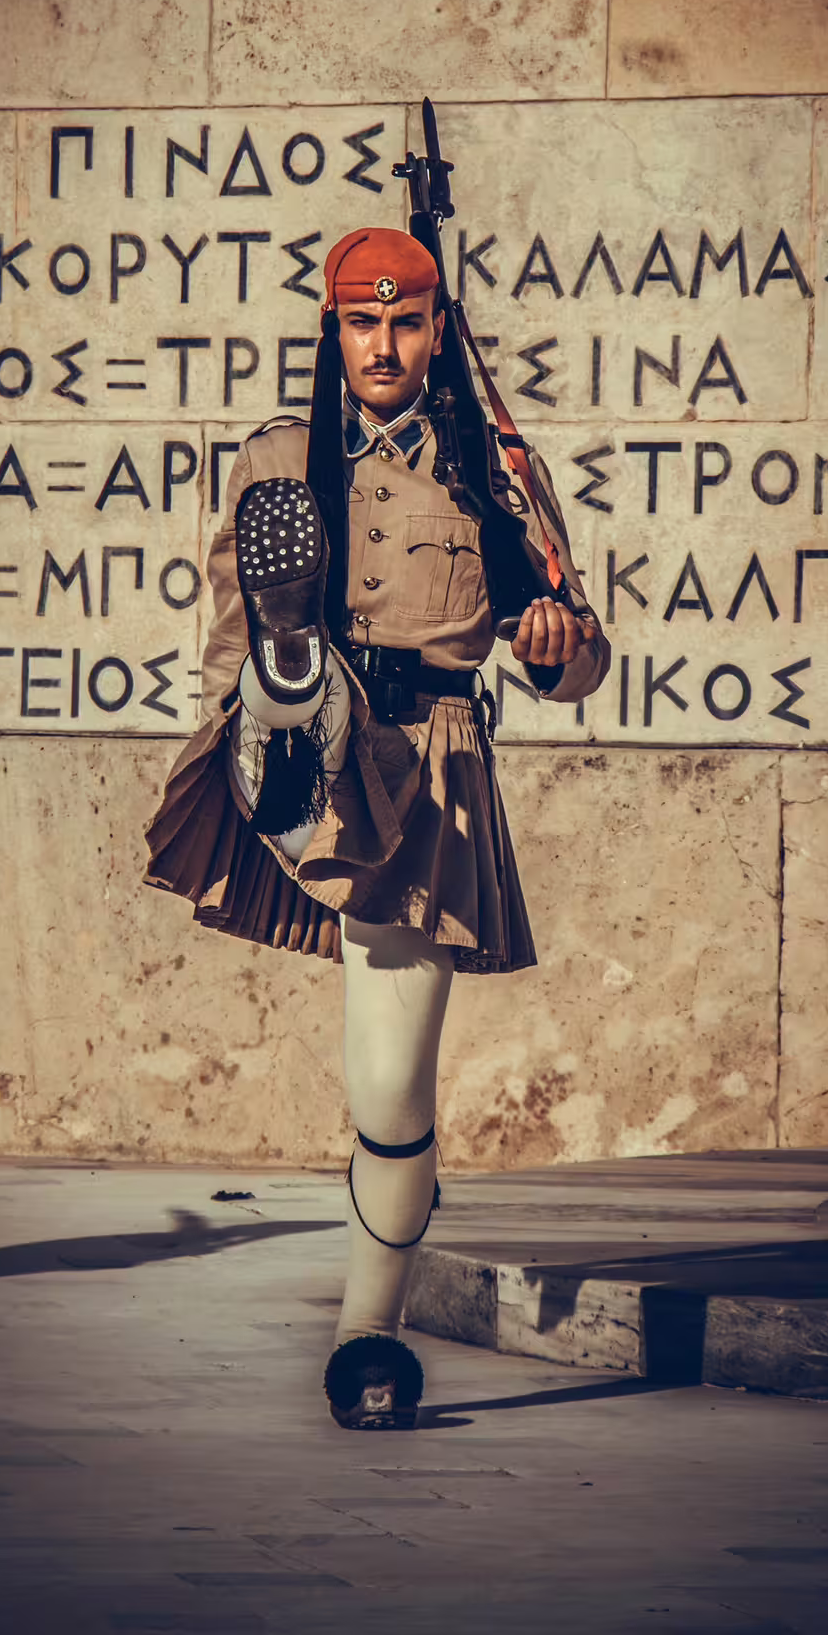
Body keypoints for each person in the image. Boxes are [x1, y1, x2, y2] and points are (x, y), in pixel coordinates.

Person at [144, 225, 609, 1428]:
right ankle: (294, 695)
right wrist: (240, 727)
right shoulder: (279, 461)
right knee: (276, 670)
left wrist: (559, 648)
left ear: (437, 328)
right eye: (363, 321)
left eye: (406, 322)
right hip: (312, 754)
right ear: (333, 331)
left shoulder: (489, 473)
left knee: (388, 1083)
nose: (384, 344)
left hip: (432, 767)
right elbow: (214, 638)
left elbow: (574, 650)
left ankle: (371, 1317)